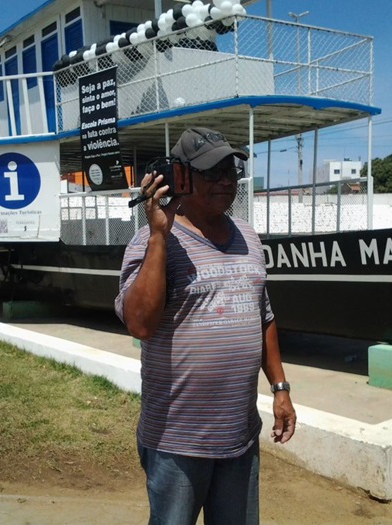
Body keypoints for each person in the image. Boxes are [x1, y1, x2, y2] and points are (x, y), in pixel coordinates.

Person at [115, 127, 296, 525]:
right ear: (181, 176)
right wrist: (159, 235)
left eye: (231, 170)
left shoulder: (247, 236)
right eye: (213, 171)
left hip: (239, 438)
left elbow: (262, 316)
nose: (226, 181)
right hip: (176, 442)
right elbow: (140, 325)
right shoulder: (150, 241)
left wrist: (280, 389)